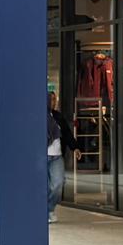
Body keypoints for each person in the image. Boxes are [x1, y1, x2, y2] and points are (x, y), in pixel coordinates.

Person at [47, 91, 75, 225]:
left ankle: (49, 209)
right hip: (41, 157)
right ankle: (42, 211)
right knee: (45, 186)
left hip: (57, 156)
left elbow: (67, 133)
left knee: (58, 184)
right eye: (51, 100)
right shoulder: (38, 115)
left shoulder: (58, 117)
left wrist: (75, 147)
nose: (54, 102)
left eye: (55, 99)